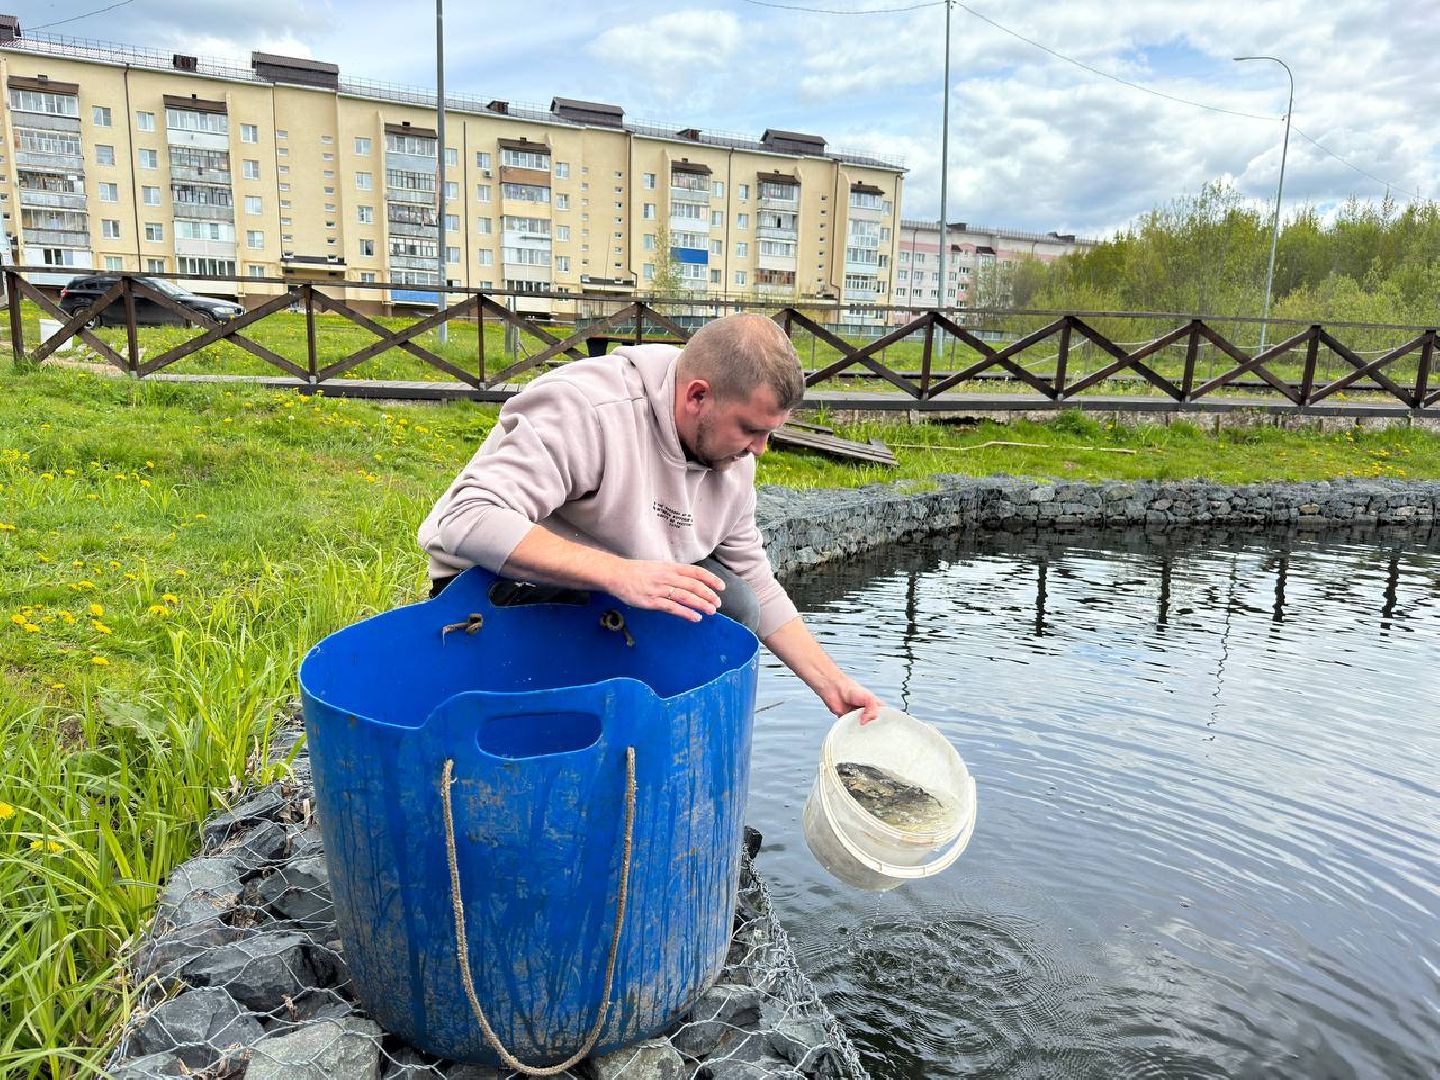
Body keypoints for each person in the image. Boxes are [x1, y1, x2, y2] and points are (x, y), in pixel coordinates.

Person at [418, 313, 881, 723]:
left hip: (611, 583)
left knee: (733, 602)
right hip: (490, 590)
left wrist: (831, 684)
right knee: (653, 613)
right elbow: (465, 518)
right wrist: (619, 573)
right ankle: (578, 732)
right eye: (751, 429)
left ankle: (657, 740)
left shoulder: (733, 464)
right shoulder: (588, 408)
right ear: (698, 395)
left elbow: (754, 581)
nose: (760, 449)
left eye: (769, 432)